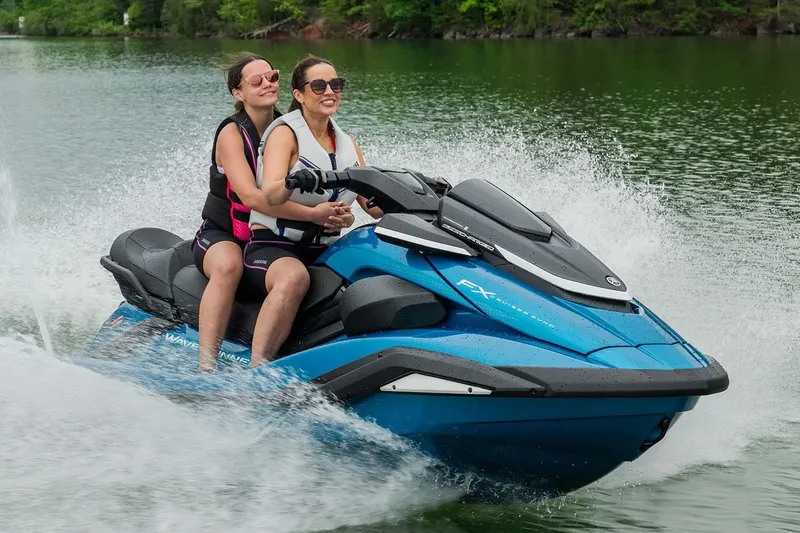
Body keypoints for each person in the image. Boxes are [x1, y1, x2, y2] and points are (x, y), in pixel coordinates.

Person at [243, 54, 383, 367]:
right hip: (274, 247)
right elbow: (272, 193)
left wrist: (421, 204)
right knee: (294, 279)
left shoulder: (348, 143)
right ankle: (256, 369)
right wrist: (293, 181)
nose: (329, 91)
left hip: (326, 252)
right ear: (299, 95)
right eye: (318, 85)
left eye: (336, 84)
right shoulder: (284, 134)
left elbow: (370, 204)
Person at [191, 53, 282, 372]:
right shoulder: (232, 134)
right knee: (229, 266)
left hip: (268, 239)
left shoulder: (288, 130)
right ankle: (206, 366)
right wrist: (314, 215)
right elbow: (251, 196)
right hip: (222, 235)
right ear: (238, 93)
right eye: (256, 81)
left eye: (272, 76)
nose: (267, 84)